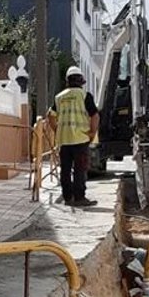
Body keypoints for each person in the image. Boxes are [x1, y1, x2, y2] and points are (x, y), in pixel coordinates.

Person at [47, 65, 99, 207]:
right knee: (80, 169)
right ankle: (79, 198)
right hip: (81, 139)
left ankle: (68, 198)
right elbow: (94, 115)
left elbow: (50, 116)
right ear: (81, 81)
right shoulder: (84, 95)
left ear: (67, 81)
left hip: (64, 140)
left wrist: (57, 129)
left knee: (65, 170)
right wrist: (92, 132)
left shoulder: (59, 97)